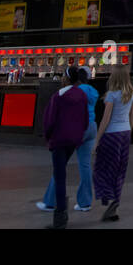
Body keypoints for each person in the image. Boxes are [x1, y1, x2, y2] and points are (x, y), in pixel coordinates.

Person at [38, 66, 98, 214]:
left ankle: (50, 201)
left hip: (77, 128)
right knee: (85, 166)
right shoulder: (93, 92)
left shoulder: (73, 92)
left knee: (60, 165)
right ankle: (85, 202)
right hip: (92, 127)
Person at [93, 69, 133, 222]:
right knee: (119, 170)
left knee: (102, 168)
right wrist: (128, 135)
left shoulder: (112, 94)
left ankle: (109, 199)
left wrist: (97, 139)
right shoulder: (132, 94)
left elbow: (105, 119)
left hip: (111, 135)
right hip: (125, 134)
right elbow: (132, 118)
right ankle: (115, 204)